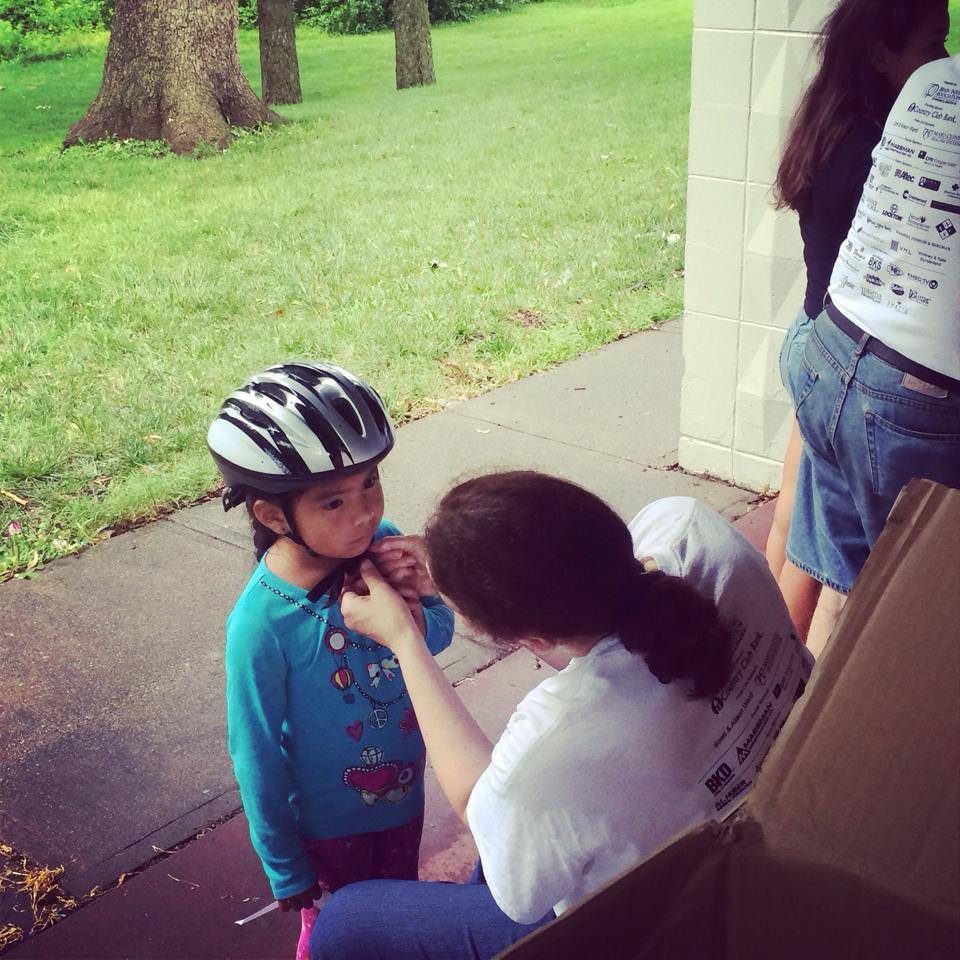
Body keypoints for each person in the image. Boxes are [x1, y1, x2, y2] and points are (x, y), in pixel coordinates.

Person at [306, 471, 813, 959]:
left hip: (656, 922)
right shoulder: (690, 526)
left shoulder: (558, 741)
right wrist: (452, 570)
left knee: (347, 922)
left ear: (533, 641)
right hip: (770, 834)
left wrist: (404, 640)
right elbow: (594, 613)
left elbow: (484, 818)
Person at [207, 361, 454, 960]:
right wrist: (284, 866)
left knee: (398, 915)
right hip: (324, 828)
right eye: (334, 501)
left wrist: (420, 596)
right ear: (273, 516)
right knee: (341, 936)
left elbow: (436, 638)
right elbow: (254, 751)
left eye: (371, 482)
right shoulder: (260, 626)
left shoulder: (382, 543)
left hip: (402, 799)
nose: (365, 512)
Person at [768, 0, 952, 643]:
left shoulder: (830, 120)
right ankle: (807, 706)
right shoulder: (893, 146)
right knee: (845, 577)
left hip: (819, 339)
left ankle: (767, 671)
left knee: (802, 532)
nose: (945, 65)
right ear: (881, 54)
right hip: (866, 362)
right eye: (932, 48)